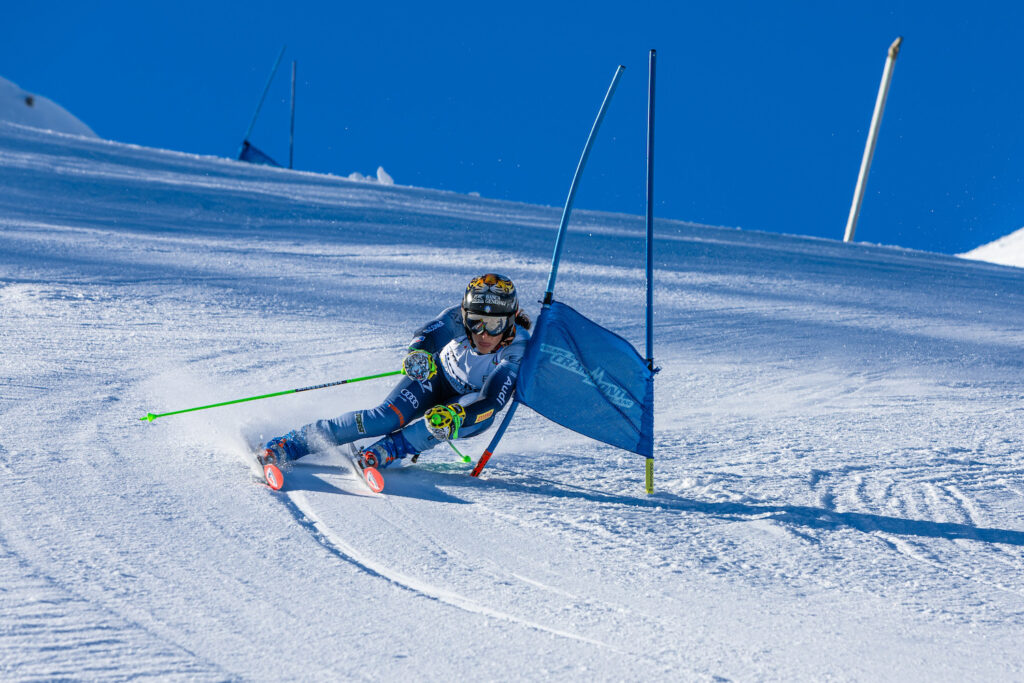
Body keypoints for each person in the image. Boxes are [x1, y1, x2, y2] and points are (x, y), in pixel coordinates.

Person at [261, 273, 531, 470]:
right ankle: (293, 443)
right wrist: (419, 353)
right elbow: (428, 333)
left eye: (495, 325)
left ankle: (389, 450)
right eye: (476, 323)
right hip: (437, 378)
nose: (484, 334)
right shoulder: (457, 318)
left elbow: (493, 401)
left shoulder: (516, 349)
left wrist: (458, 415)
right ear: (465, 314)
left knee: (440, 424)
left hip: (471, 405)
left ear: (510, 320)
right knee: (385, 419)